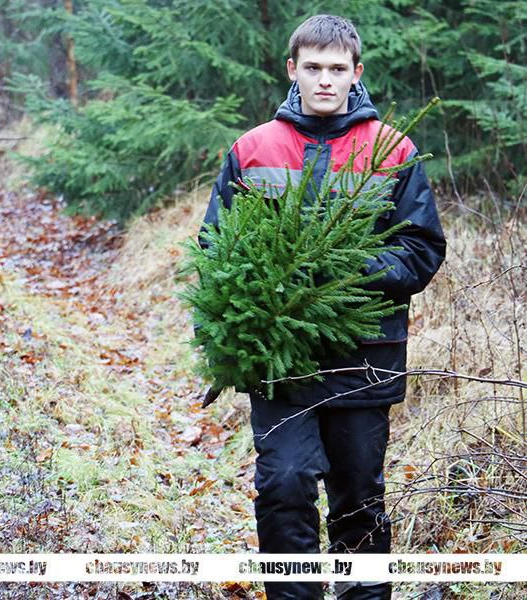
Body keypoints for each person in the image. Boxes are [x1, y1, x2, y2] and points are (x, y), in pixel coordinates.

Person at [201, 15, 445, 600]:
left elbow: (421, 249)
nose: (326, 80)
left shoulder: (392, 150)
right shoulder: (254, 149)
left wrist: (341, 273)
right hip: (279, 359)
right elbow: (216, 250)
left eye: (338, 69)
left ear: (357, 73)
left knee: (358, 497)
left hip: (366, 358)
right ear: (293, 70)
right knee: (283, 486)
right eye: (313, 68)